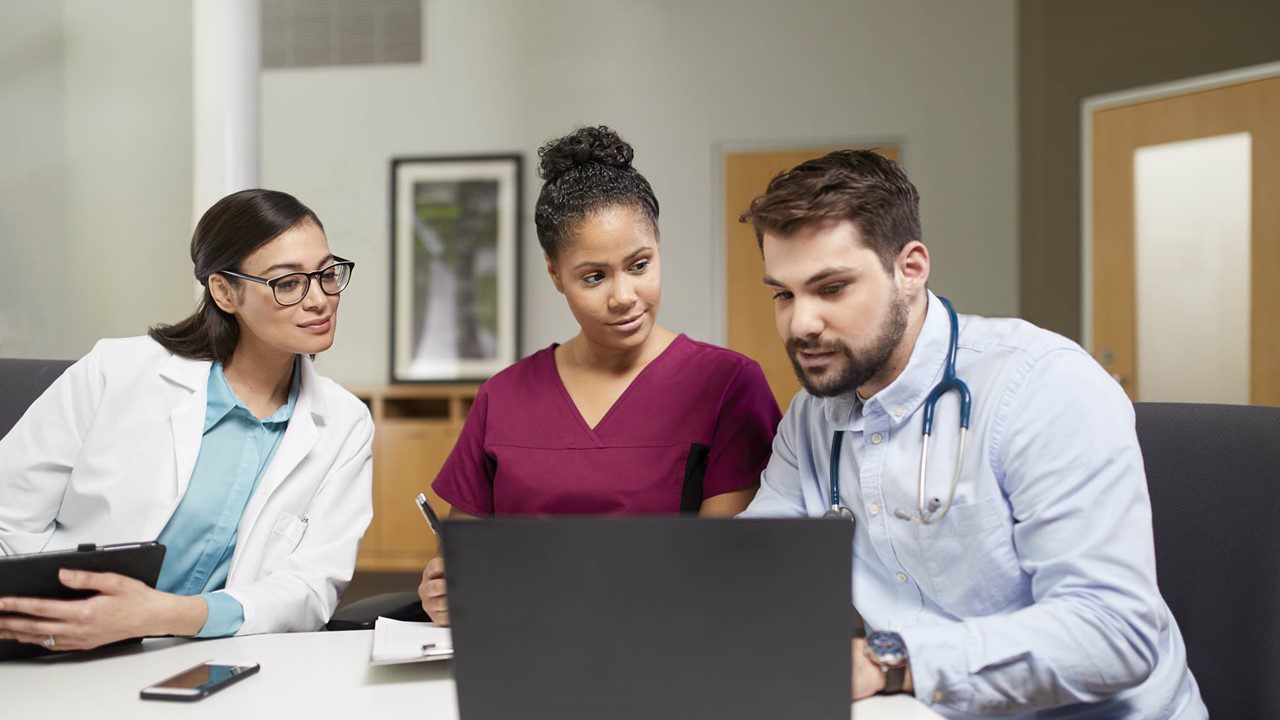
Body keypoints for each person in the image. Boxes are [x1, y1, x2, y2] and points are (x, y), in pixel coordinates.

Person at [737, 150, 1206, 718]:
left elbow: (1114, 631)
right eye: (783, 294)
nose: (800, 324)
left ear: (910, 269)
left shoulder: (1042, 385)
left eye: (831, 289)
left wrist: (892, 663)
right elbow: (752, 568)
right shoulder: (814, 418)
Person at [418, 127, 781, 625]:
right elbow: (468, 560)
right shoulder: (502, 397)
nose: (623, 296)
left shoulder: (728, 385)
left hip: (665, 654)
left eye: (639, 265)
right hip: (521, 654)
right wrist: (448, 589)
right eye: (593, 277)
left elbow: (722, 569)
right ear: (554, 274)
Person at [0, 189, 374, 651]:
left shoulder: (345, 423)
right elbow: (7, 517)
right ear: (224, 292)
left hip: (213, 654)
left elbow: (313, 585)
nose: (320, 300)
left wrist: (166, 615)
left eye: (326, 274)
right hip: (63, 649)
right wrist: (62, 616)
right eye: (289, 283)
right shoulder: (115, 370)